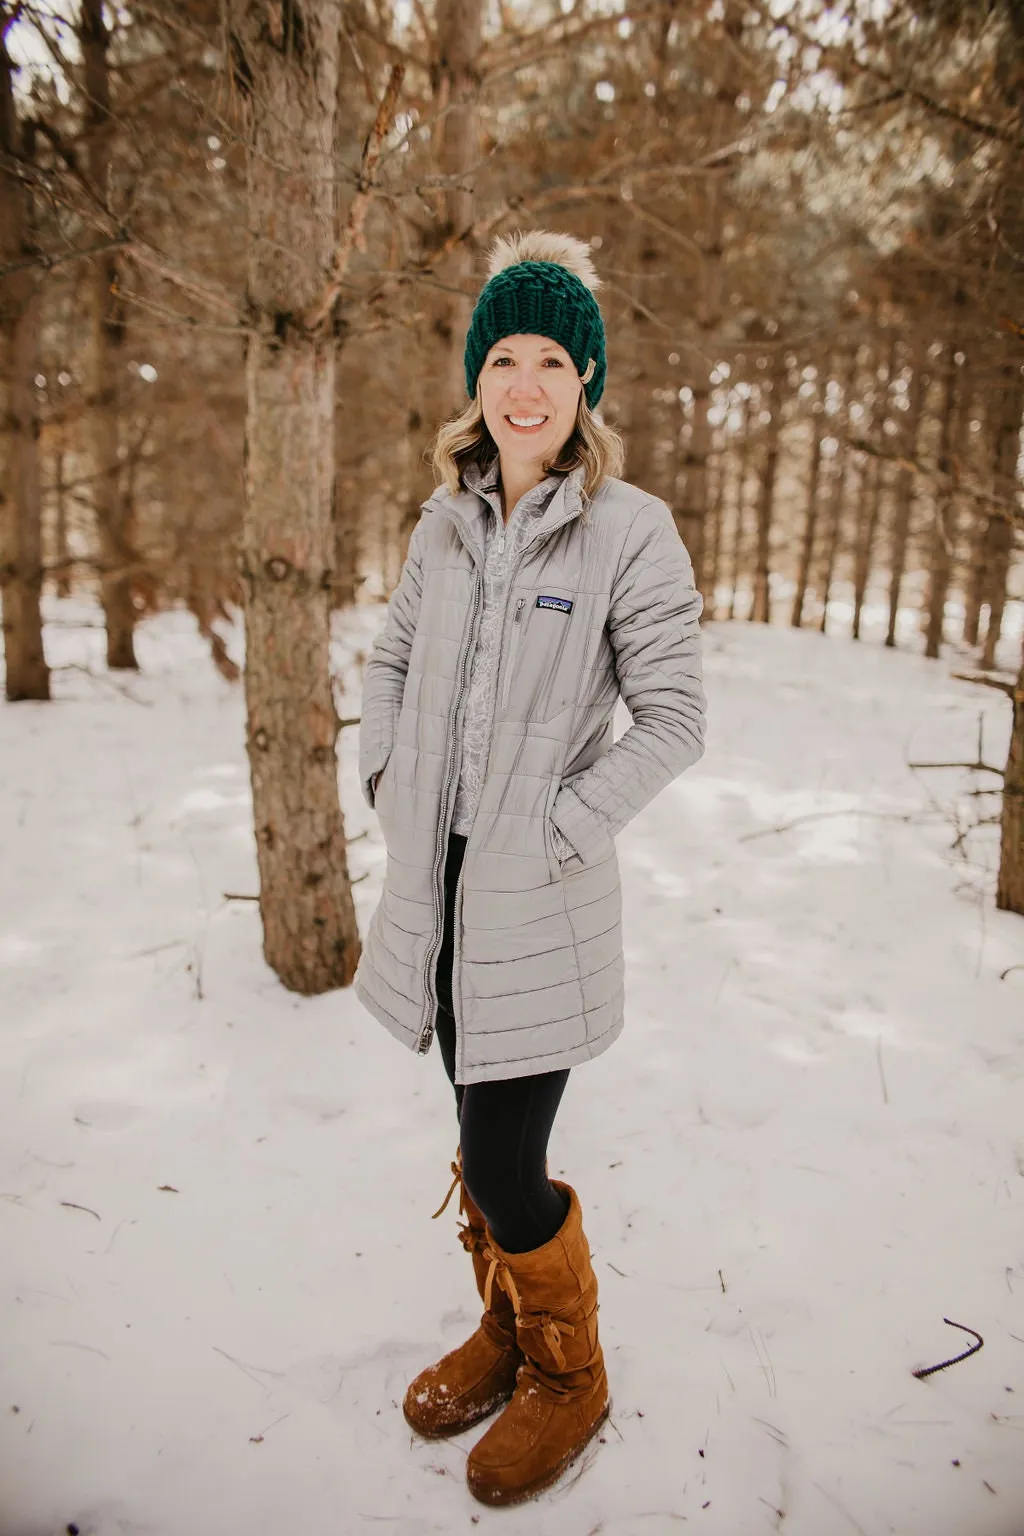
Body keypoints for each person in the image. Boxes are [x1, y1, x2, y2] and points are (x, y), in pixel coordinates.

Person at [354, 229, 706, 1506]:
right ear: (476, 378)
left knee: (507, 1158)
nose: (523, 382)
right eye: (502, 355)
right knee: (468, 1128)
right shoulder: (441, 524)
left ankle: (571, 1371)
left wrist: (559, 827)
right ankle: (507, 1328)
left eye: (550, 358)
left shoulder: (630, 533)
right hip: (433, 895)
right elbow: (390, 663)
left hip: (536, 899)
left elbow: (674, 717)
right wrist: (387, 778)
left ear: (585, 380)